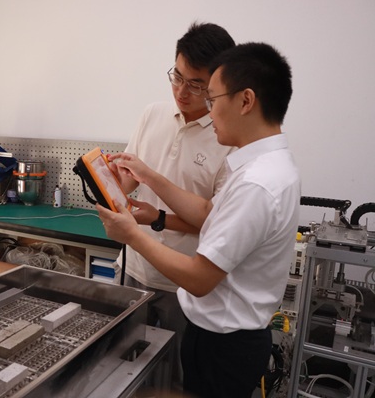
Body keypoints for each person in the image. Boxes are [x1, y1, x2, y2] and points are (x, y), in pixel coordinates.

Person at [98, 42, 300, 398]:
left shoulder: (256, 183)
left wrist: (132, 234)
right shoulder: (264, 167)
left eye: (213, 97)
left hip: (224, 344)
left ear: (245, 101)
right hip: (225, 338)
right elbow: (209, 213)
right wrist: (149, 177)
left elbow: (199, 278)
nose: (209, 108)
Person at [110, 22, 235, 386]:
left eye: (196, 84)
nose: (181, 91)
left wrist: (159, 219)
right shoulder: (153, 114)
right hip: (133, 269)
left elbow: (214, 222)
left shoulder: (228, 141)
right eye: (177, 76)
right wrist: (109, 178)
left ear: (218, 83)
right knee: (118, 371)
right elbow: (129, 181)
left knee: (173, 379)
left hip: (183, 283)